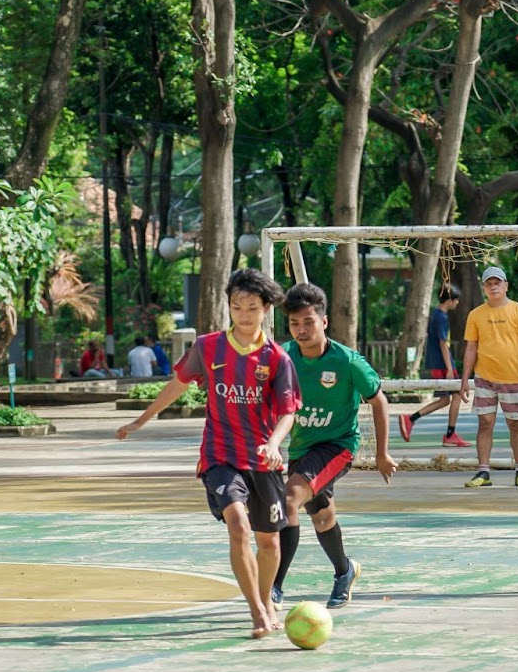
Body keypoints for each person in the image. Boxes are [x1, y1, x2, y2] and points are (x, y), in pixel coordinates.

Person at [116, 269, 299, 638]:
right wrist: (141, 421)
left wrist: (275, 444)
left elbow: (288, 411)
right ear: (228, 306)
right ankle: (257, 613)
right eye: (236, 307)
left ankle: (266, 599)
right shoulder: (208, 347)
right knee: (238, 526)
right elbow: (177, 384)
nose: (243, 314)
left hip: (262, 460)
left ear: (266, 309)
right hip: (220, 456)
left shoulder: (277, 358)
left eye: (251, 307)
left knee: (269, 540)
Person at [274, 283, 397, 610]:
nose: (301, 330)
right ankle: (345, 570)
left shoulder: (347, 362)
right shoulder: (283, 357)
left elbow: (379, 402)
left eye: (308, 322)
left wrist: (382, 454)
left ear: (324, 322)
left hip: (338, 446)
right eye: (294, 323)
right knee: (322, 516)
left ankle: (274, 586)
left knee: (290, 498)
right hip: (301, 449)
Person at [459, 266, 518, 488]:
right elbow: (471, 348)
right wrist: (465, 380)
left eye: (497, 282)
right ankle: (483, 471)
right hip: (485, 378)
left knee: (516, 424)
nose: (493, 286)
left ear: (506, 285)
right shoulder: (475, 314)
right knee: (485, 423)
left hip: (514, 378)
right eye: (488, 283)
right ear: (484, 287)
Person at [397, 284, 469, 447]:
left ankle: (411, 419)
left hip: (437, 363)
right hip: (442, 364)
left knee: (445, 400)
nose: (457, 304)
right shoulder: (441, 317)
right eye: (456, 300)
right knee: (456, 396)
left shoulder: (435, 315)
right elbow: (443, 344)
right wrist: (450, 368)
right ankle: (450, 435)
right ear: (450, 300)